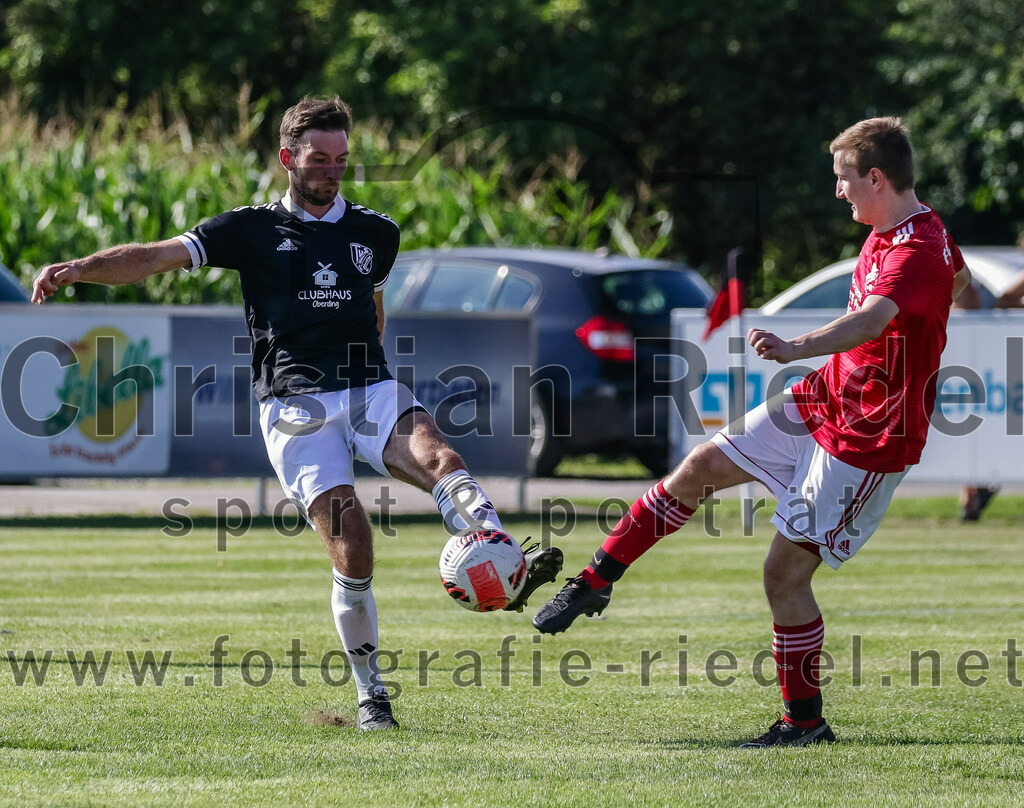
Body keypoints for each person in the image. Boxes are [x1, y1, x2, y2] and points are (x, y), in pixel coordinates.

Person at [31, 95, 562, 731]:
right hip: (294, 404)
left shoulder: (376, 233)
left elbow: (372, 308)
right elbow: (154, 257)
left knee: (439, 455)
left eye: (342, 159)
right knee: (353, 541)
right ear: (288, 158)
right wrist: (78, 270)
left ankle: (497, 553)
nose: (332, 171)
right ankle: (372, 694)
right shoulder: (249, 231)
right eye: (318, 159)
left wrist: (375, 373)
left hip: (368, 386)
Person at [533, 117, 973, 747]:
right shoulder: (907, 232)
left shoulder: (912, 252)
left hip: (870, 436)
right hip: (826, 397)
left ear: (876, 177)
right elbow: (956, 284)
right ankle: (594, 582)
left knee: (783, 575)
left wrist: (798, 345)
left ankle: (804, 724)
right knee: (698, 469)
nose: (839, 191)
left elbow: (875, 320)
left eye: (844, 179)